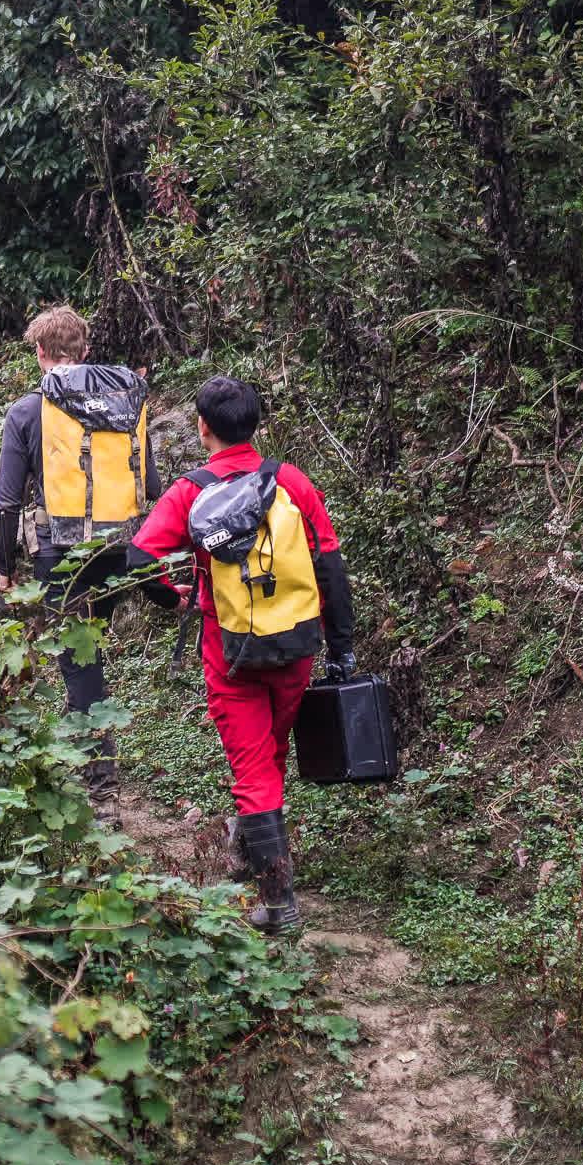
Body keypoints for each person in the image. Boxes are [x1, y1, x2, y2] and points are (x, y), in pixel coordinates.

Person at [126, 375, 355, 932]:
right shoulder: (291, 481)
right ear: (255, 425)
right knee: (268, 755)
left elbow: (137, 560)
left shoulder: (190, 492)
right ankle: (245, 849)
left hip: (230, 655)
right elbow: (329, 565)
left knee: (253, 769)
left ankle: (278, 905)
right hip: (299, 647)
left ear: (203, 428)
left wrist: (169, 594)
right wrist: (341, 647)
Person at [0, 305, 156, 793]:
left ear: (40, 353)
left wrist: (4, 569)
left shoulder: (27, 411)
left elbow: (6, 503)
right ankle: (81, 731)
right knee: (88, 649)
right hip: (117, 550)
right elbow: (151, 482)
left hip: (58, 552)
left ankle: (97, 770)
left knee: (79, 657)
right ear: (85, 351)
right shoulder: (124, 405)